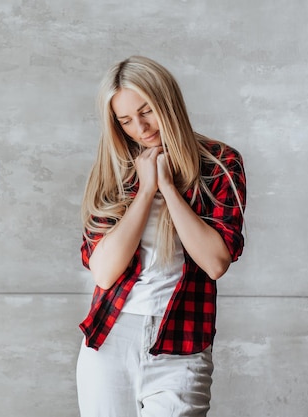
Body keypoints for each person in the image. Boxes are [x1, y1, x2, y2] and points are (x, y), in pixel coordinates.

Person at [76, 56, 247, 417]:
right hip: (110, 338)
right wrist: (145, 189)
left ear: (167, 101)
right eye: (125, 121)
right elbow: (104, 273)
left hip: (181, 340)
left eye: (147, 111)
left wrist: (167, 186)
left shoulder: (219, 163)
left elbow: (215, 262)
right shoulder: (114, 171)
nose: (139, 127)